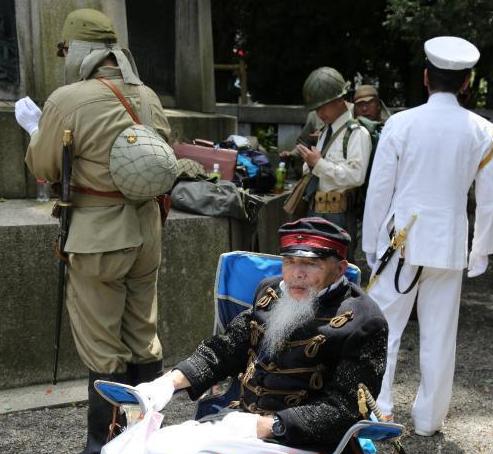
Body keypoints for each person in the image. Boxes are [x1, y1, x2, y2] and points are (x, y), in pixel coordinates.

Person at [15, 9, 174, 454]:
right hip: (147, 233)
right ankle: (148, 440)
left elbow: (44, 166)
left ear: (77, 51)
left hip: (99, 238)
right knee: (143, 337)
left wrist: (34, 129)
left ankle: (101, 445)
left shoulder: (68, 98)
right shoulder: (148, 96)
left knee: (103, 347)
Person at [133, 217, 388, 454]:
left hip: (302, 442)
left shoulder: (365, 321)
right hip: (240, 425)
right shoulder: (270, 292)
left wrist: (264, 426)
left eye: (311, 263)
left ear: (340, 268)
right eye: (289, 261)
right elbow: (225, 350)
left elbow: (343, 411)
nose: (297, 273)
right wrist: (165, 384)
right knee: (140, 446)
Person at [362, 36, 493, 437]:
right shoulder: (483, 130)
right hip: (449, 243)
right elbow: (488, 202)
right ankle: (428, 419)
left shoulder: (401, 123)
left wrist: (370, 243)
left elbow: (379, 190)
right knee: (440, 335)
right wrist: (480, 251)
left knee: (383, 327)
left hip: (400, 242)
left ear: (425, 77)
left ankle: (377, 409)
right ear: (467, 82)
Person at [296, 67, 372, 259]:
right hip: (316, 210)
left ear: (340, 100)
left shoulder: (357, 134)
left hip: (339, 214)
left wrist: (319, 164)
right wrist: (311, 164)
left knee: (339, 268)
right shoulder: (324, 132)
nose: (320, 113)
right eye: (316, 108)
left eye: (324, 106)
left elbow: (356, 176)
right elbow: (315, 169)